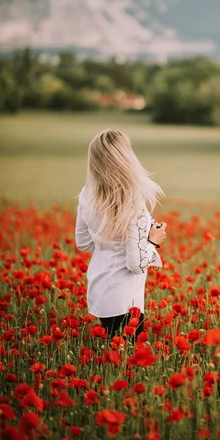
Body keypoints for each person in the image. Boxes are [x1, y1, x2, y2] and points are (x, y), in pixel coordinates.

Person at [74, 128, 167, 341]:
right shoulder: (133, 204)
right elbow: (135, 264)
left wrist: (108, 244)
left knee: (112, 357)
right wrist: (154, 241)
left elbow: (84, 242)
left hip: (99, 291)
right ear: (125, 158)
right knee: (128, 363)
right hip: (125, 300)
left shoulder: (87, 195)